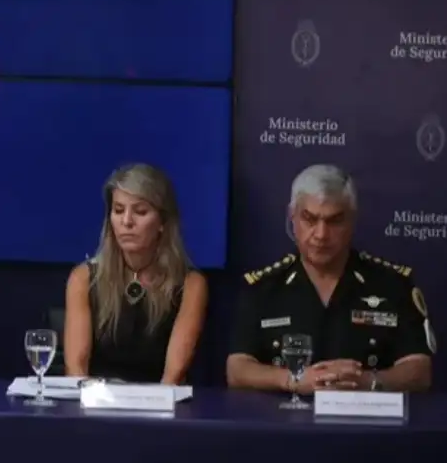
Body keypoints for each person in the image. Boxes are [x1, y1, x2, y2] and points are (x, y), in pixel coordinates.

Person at [227, 164, 434, 393]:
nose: (321, 234)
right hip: (283, 415)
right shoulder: (263, 288)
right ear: (292, 217)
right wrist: (294, 379)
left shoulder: (391, 285)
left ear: (352, 221)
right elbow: (237, 368)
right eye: (309, 219)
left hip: (366, 414)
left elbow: (419, 369)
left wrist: (367, 382)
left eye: (334, 221)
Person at [62, 163, 207, 384]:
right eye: (119, 210)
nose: (127, 221)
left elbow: (173, 376)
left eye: (140, 212)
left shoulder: (191, 284)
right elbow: (76, 369)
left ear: (162, 222)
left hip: (161, 402)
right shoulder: (83, 278)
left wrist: (147, 403)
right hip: (97, 400)